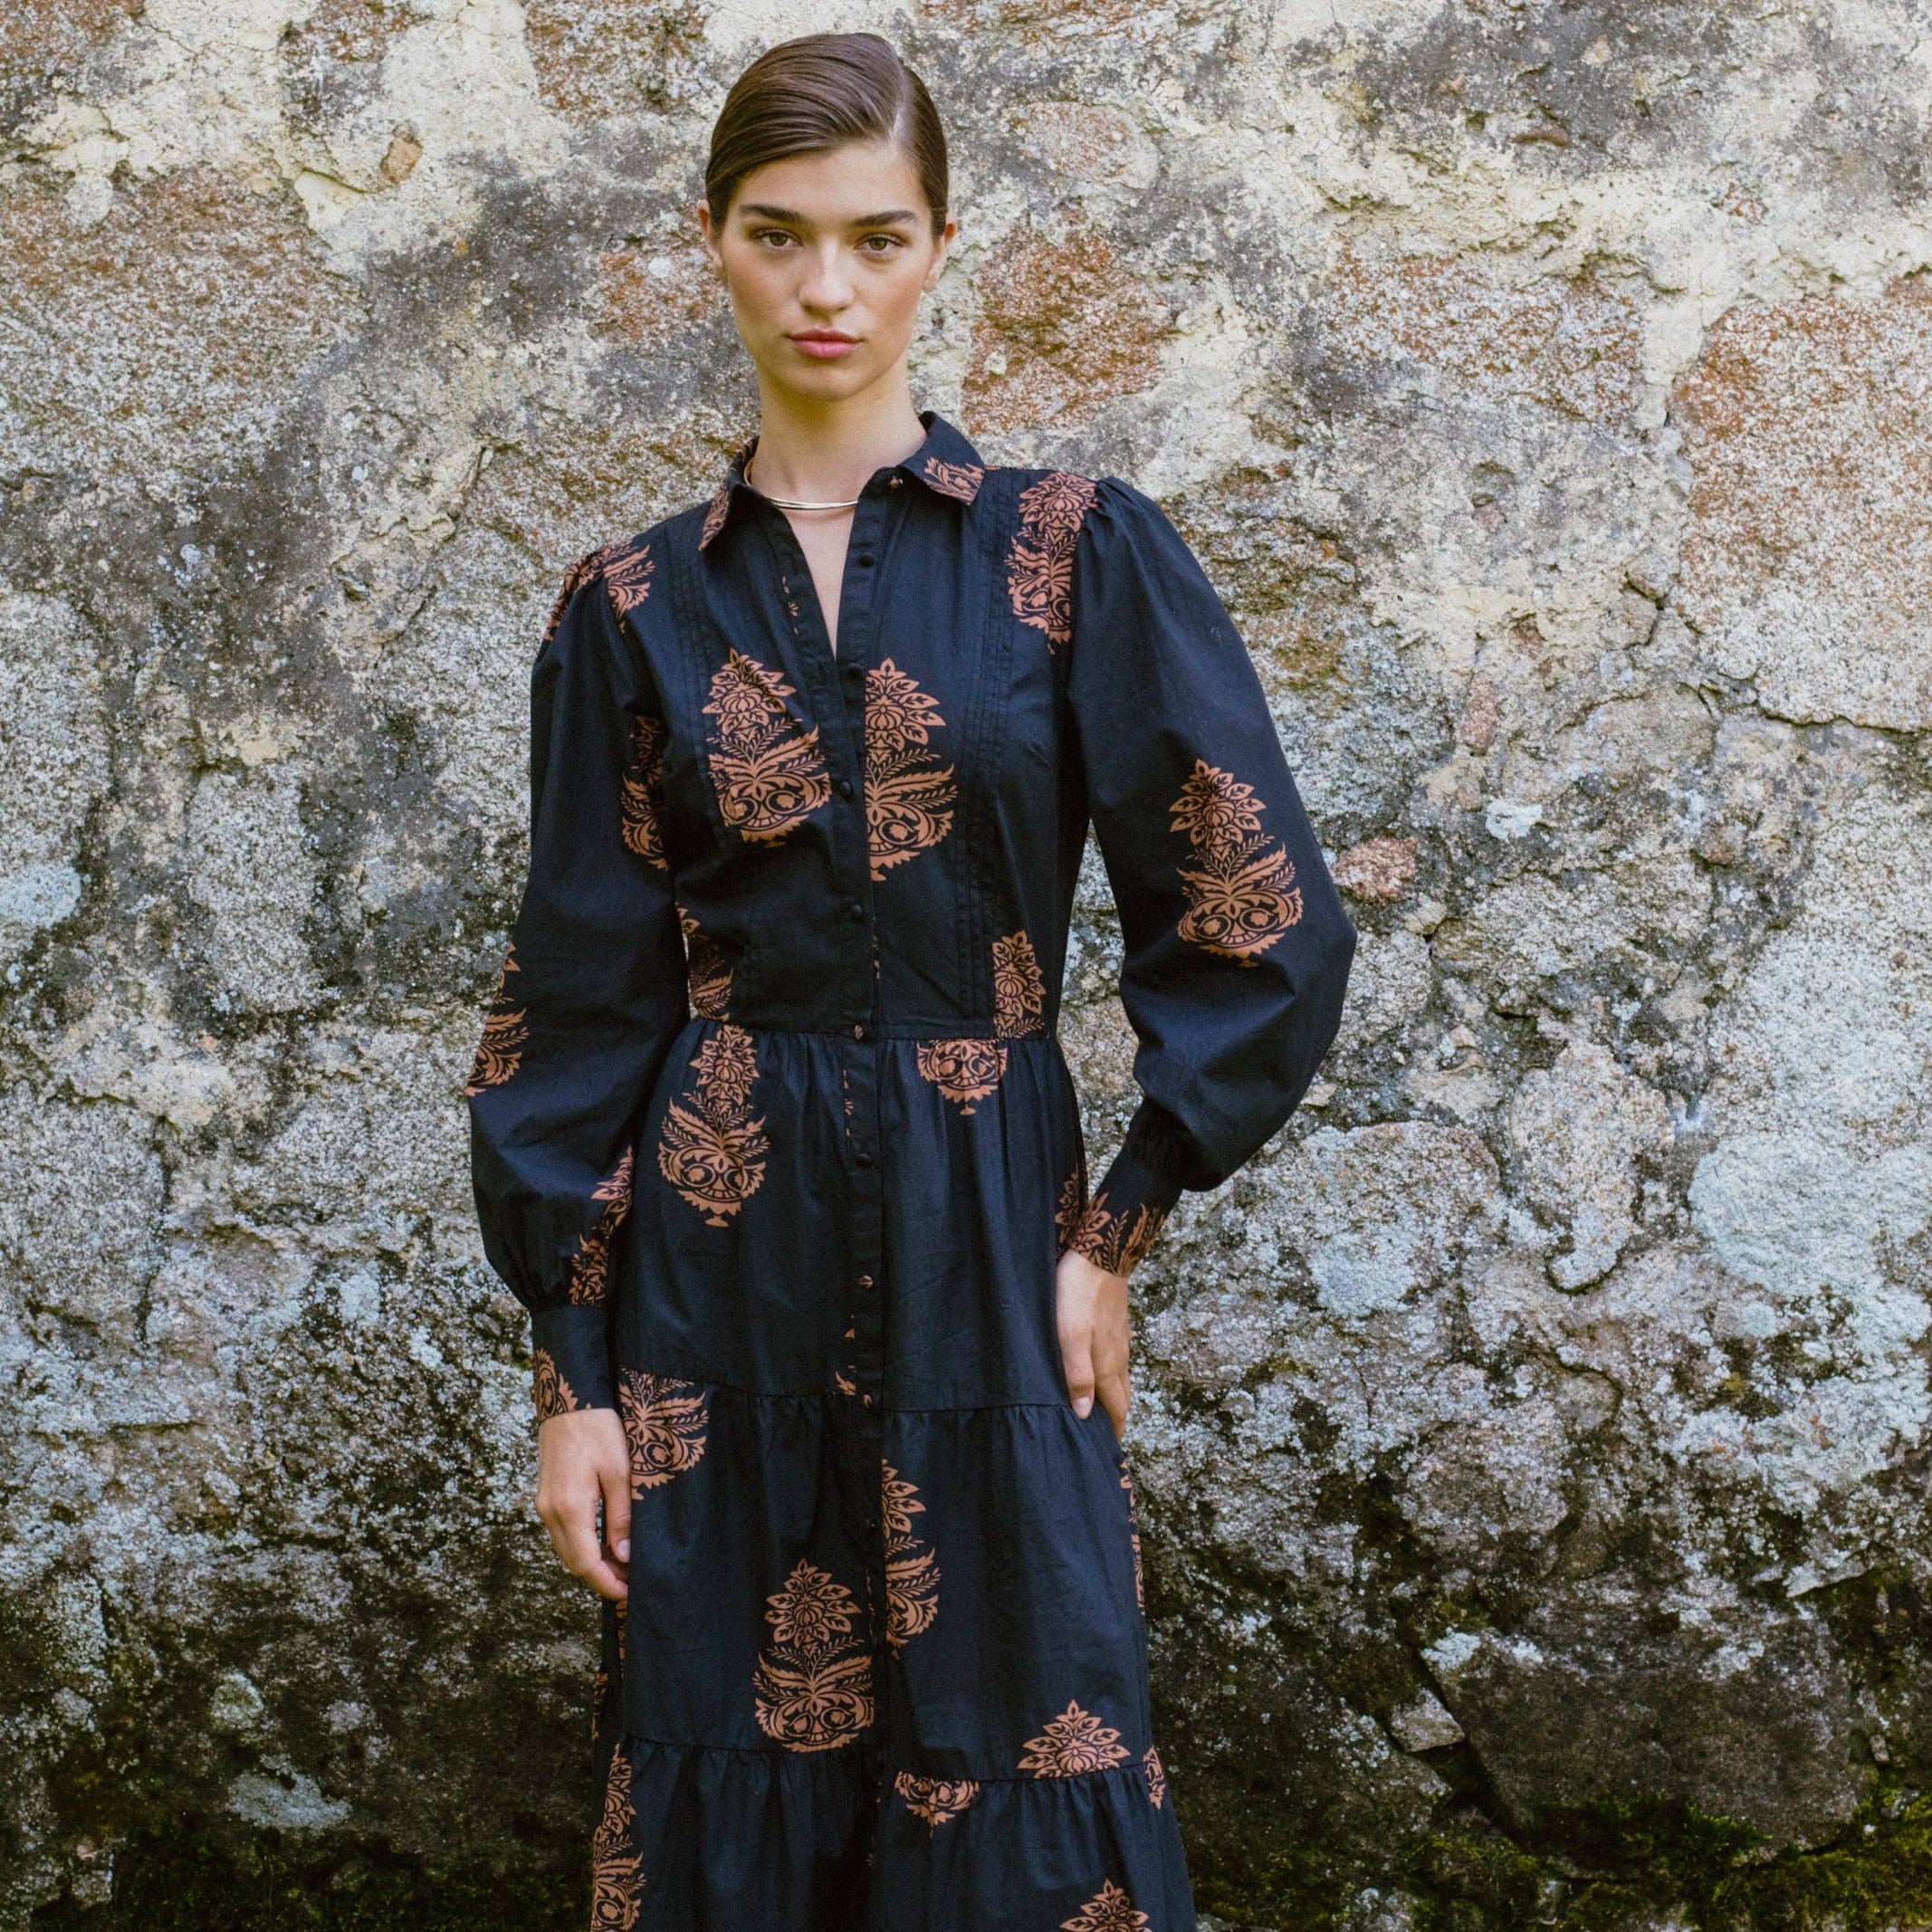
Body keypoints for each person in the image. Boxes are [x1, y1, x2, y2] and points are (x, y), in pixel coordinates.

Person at [466, 29, 1355, 1930]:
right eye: (779, 235)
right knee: (731, 1720)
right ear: (711, 241)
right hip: (724, 1259)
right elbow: (573, 1001)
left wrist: (1113, 1223)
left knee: (1028, 1706)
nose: (824, 287)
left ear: (938, 247)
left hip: (992, 1220)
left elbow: (1252, 903)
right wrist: (572, 1368)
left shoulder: (1066, 553)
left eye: (873, 238)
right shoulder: (629, 607)